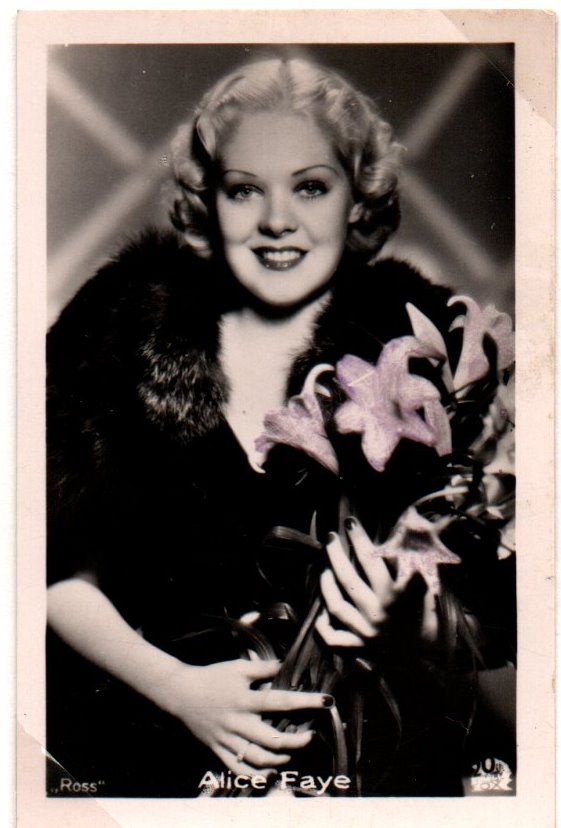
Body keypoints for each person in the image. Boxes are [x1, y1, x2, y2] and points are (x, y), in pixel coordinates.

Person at [46, 56, 516, 798]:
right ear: (208, 199)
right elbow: (42, 569)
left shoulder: (429, 340)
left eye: (310, 187)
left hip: (374, 770)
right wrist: (177, 689)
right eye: (244, 190)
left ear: (356, 199)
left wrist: (412, 620)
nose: (276, 221)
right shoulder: (116, 326)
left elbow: (504, 616)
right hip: (157, 756)